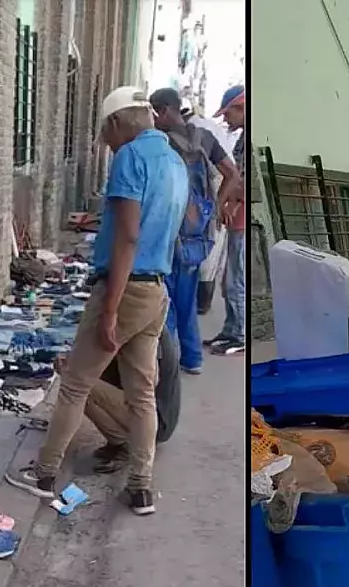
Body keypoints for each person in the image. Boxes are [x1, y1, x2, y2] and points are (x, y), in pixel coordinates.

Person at [6, 86, 187, 515]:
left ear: (115, 123)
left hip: (124, 288)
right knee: (143, 392)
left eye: (104, 134)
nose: (105, 144)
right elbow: (177, 224)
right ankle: (141, 487)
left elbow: (127, 236)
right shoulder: (175, 162)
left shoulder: (130, 158)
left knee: (74, 383)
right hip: (155, 289)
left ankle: (44, 473)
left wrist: (109, 308)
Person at [148, 87, 240, 374]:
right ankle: (191, 358)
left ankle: (169, 363)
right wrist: (213, 205)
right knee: (186, 298)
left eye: (153, 114)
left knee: (167, 300)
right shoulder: (204, 137)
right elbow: (232, 173)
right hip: (197, 232)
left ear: (162, 111)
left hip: (169, 231)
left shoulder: (161, 141)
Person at [82, 327, 182, 473]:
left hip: (156, 419)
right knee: (83, 380)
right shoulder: (139, 326)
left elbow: (146, 388)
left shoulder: (145, 334)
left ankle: (127, 443)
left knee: (78, 383)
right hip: (148, 410)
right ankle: (121, 440)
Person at [206, 85, 247, 356]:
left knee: (235, 279)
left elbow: (245, 182)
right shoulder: (242, 138)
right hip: (236, 217)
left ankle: (239, 333)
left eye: (228, 113)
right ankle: (231, 329)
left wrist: (232, 203)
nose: (225, 119)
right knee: (229, 278)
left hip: (242, 220)